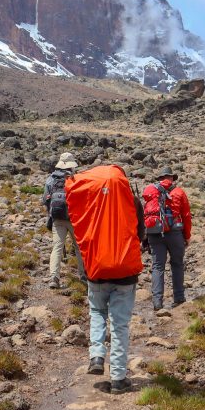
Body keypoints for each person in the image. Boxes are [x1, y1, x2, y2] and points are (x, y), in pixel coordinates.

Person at [68, 165, 145, 395]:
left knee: (97, 312)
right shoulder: (133, 201)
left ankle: (97, 357)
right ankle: (118, 379)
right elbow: (141, 234)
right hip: (125, 272)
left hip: (97, 269)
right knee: (120, 325)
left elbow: (79, 229)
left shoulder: (90, 202)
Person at [142, 168, 193, 315]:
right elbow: (186, 215)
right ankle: (179, 297)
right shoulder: (179, 192)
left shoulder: (151, 191)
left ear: (160, 178)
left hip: (155, 233)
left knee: (158, 266)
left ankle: (157, 302)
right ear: (171, 178)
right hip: (175, 233)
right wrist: (187, 236)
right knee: (177, 264)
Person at [43, 152, 85, 288]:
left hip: (57, 218)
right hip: (74, 219)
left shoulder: (51, 179)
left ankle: (54, 278)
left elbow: (45, 200)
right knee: (79, 247)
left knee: (57, 247)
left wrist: (51, 214)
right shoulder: (75, 178)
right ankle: (83, 275)